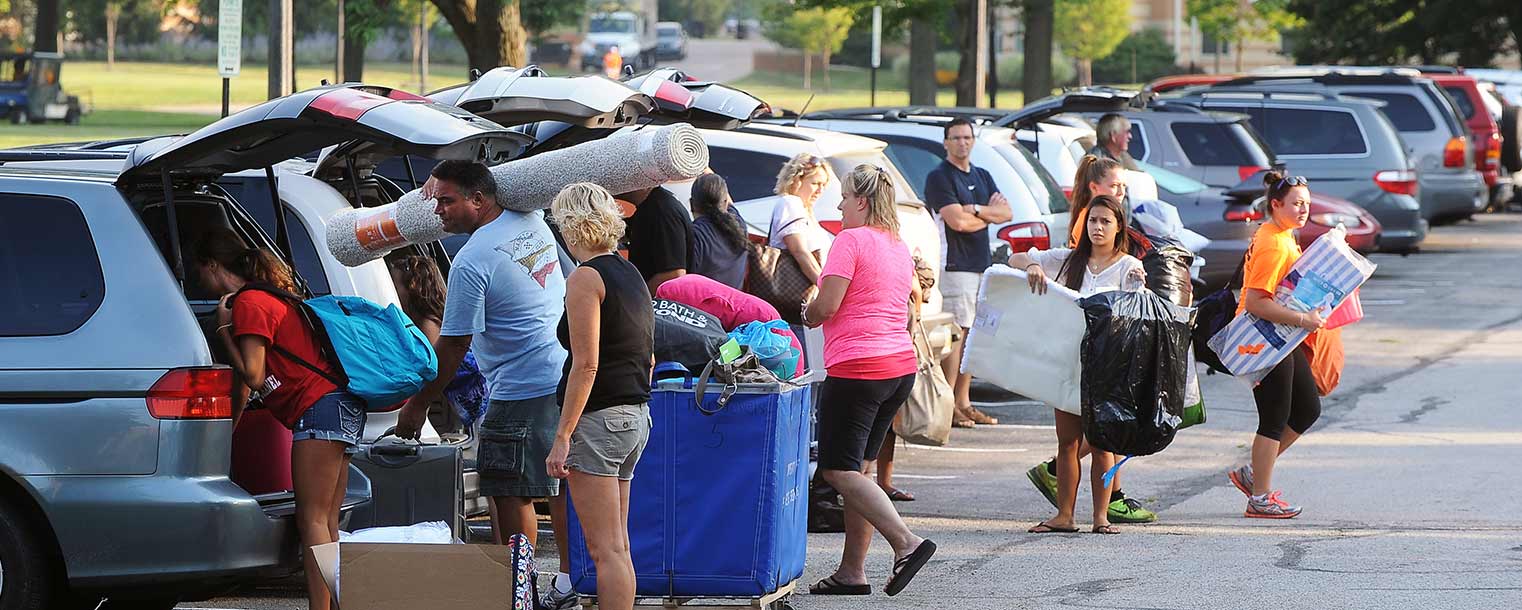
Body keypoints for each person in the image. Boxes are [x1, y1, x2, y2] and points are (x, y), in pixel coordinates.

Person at [394, 161, 577, 605]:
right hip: (562, 374)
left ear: (479, 200)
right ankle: (571, 582)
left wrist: (417, 406)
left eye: (447, 200)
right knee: (557, 487)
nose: (438, 209)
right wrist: (439, 180)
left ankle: (519, 595)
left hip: (521, 387)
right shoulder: (530, 219)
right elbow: (482, 175)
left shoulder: (472, 260)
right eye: (435, 200)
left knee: (509, 491)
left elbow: (454, 346)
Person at [195, 230, 355, 610]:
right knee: (328, 523)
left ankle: (322, 608)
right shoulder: (271, 295)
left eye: (199, 270)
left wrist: (222, 329)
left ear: (212, 266)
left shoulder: (249, 304)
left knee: (312, 520)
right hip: (340, 406)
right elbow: (253, 387)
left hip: (318, 409)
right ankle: (334, 605)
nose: (197, 279)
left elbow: (252, 374)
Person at [803, 164, 936, 597]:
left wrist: (808, 310)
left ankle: (906, 543)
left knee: (836, 469)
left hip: (858, 368)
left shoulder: (850, 240)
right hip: (898, 365)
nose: (838, 205)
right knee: (859, 468)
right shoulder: (896, 244)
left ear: (861, 201)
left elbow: (827, 306)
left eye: (843, 197)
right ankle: (851, 571)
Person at [1024, 155, 1158, 525]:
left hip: (1107, 368)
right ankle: (1064, 514)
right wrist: (1034, 265)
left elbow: (1138, 314)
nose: (1097, 228)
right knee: (1067, 443)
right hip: (1068, 361)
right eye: (1093, 221)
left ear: (1119, 228)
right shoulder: (1069, 260)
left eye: (1105, 222)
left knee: (1103, 444)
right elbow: (1023, 256)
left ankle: (1101, 517)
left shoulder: (1129, 267)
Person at [544, 183, 655, 610]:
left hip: (600, 418)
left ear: (570, 227)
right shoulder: (630, 273)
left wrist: (562, 435)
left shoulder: (584, 277)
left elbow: (585, 364)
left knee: (603, 551)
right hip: (634, 416)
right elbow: (647, 355)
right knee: (618, 548)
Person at [1226, 171, 1325, 519]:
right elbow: (1255, 302)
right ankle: (1261, 497)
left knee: (1307, 409)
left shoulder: (1283, 234)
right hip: (1262, 338)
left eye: (1307, 204)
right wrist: (1303, 320)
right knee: (1274, 417)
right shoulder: (1272, 241)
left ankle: (1254, 474)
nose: (1303, 210)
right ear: (1275, 205)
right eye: (1296, 204)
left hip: (1281, 336)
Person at [923, 117, 1012, 428]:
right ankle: (947, 404)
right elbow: (955, 222)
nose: (962, 142)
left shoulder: (982, 175)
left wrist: (974, 210)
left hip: (980, 265)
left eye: (967, 137)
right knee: (957, 334)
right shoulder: (939, 178)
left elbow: (1006, 212)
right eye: (956, 138)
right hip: (955, 266)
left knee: (974, 335)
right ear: (946, 142)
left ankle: (964, 402)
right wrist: (984, 215)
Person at [388, 255, 488, 432]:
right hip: (476, 402)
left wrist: (417, 406)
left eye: (396, 286)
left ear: (413, 288)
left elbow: (432, 372)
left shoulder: (428, 325)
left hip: (481, 404)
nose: (393, 292)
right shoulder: (438, 318)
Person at [769, 153, 835, 299]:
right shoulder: (790, 203)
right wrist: (827, 290)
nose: (820, 190)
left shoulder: (806, 209)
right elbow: (800, 251)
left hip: (810, 294)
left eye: (824, 185)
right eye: (815, 183)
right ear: (797, 180)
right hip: (794, 293)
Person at [622, 185, 695, 294]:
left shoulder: (662, 211)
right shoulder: (650, 206)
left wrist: (638, 299)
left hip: (661, 305)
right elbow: (623, 230)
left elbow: (673, 275)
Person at [687, 173, 751, 289]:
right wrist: (703, 166)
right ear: (725, 202)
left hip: (700, 306)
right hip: (733, 306)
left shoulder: (693, 236)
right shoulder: (739, 224)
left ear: (691, 204)